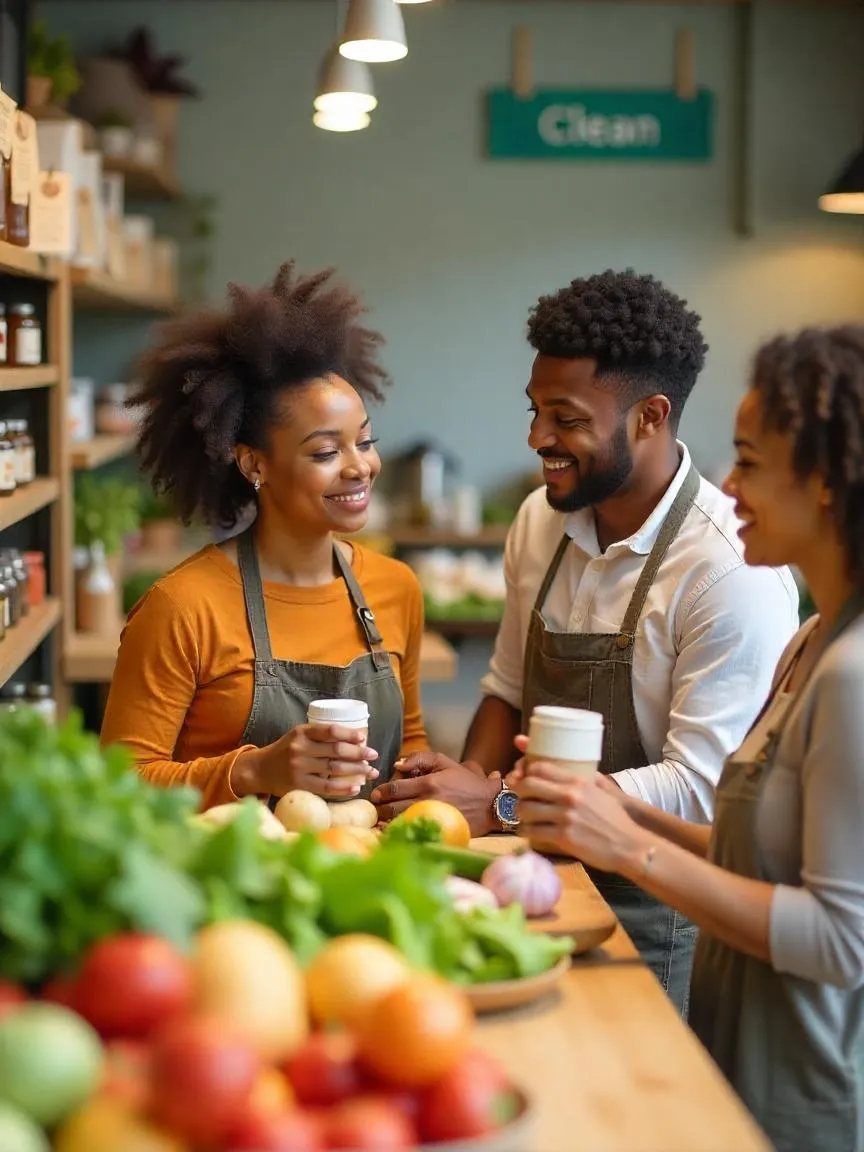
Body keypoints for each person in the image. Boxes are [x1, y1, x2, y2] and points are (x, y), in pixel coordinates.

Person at [372, 270, 799, 1011]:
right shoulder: (541, 520)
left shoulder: (729, 569)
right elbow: (507, 687)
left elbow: (702, 794)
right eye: (536, 411)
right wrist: (459, 800)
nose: (538, 439)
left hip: (660, 919)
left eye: (565, 418)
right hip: (535, 888)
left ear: (650, 416)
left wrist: (501, 803)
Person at [512, 325, 864, 1152]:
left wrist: (632, 852)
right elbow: (756, 852)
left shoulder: (851, 675)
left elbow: (842, 941)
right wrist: (614, 809)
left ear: (823, 481)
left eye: (749, 460)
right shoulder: (809, 645)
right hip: (737, 1054)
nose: (728, 485)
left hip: (807, 1095)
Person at [101, 261, 428, 809]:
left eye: (365, 443)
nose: (359, 468)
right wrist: (255, 769)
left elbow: (407, 744)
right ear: (255, 463)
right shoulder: (182, 607)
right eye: (326, 452)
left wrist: (421, 773)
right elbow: (118, 786)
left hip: (367, 873)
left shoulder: (395, 587)